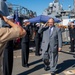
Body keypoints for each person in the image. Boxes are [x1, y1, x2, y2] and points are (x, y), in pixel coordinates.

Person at [0, 10, 26, 75]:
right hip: (6, 48)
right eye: (11, 19)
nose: (12, 20)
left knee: (9, 63)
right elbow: (22, 31)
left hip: (10, 47)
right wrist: (7, 21)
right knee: (6, 64)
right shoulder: (3, 30)